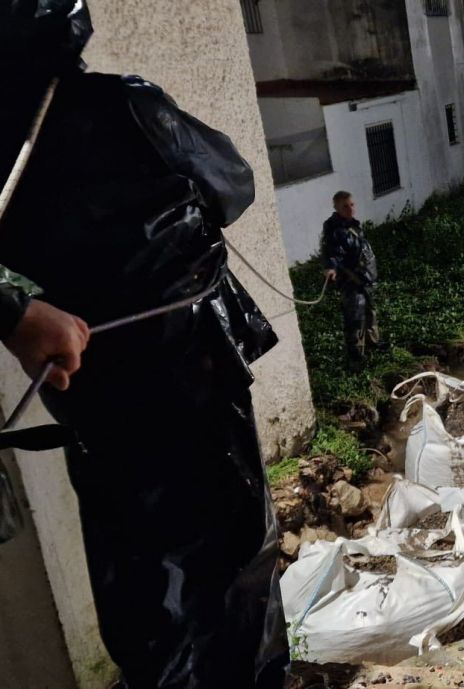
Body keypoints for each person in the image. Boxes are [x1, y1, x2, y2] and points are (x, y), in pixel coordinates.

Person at [0, 2, 289, 688]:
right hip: (193, 370)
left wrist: (16, 313)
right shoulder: (128, 106)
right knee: (236, 548)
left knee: (137, 567)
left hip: (93, 396)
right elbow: (233, 184)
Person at [320, 191, 381, 365]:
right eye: (345, 206)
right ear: (336, 208)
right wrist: (330, 267)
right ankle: (356, 357)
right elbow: (331, 252)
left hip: (364, 279)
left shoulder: (353, 225)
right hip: (351, 281)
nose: (350, 209)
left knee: (370, 313)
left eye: (352, 204)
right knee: (355, 318)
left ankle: (372, 344)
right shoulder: (334, 229)